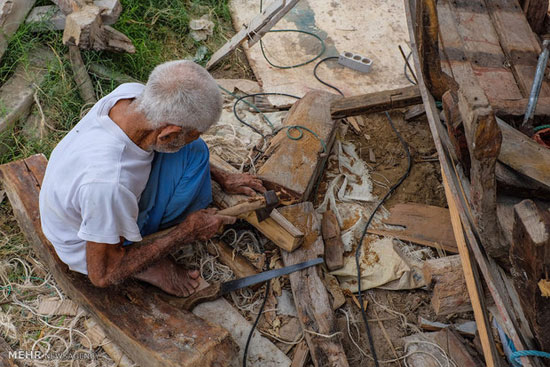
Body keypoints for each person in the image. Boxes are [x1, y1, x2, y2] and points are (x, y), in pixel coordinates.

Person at [39, 60, 265, 297]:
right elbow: (102, 275)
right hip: (85, 247)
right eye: (192, 133)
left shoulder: (132, 97)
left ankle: (139, 247)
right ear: (168, 134)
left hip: (83, 201)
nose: (193, 139)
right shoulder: (110, 184)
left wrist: (223, 177)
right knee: (189, 173)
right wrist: (184, 233)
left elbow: (182, 145)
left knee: (195, 152)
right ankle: (137, 258)